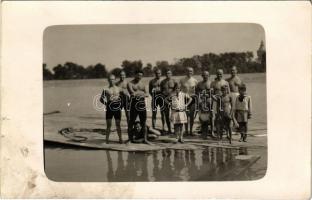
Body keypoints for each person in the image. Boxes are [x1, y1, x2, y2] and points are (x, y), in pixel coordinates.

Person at [127, 69, 150, 144]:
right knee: (131, 122)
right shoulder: (130, 83)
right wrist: (142, 93)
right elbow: (132, 94)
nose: (139, 77)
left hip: (142, 105)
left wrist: (138, 93)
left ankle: (145, 139)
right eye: (138, 75)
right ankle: (130, 140)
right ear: (135, 75)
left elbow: (147, 94)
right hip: (134, 104)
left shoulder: (144, 84)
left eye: (141, 75)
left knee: (143, 122)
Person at [100, 74, 123, 144]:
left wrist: (121, 105)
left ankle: (120, 139)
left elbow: (123, 97)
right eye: (110, 79)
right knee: (109, 125)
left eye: (112, 79)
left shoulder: (119, 88)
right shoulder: (105, 89)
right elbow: (101, 99)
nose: (111, 81)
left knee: (118, 124)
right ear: (108, 80)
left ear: (115, 80)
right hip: (109, 108)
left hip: (117, 107)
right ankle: (107, 140)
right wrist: (106, 104)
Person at [179, 67, 198, 136]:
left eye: (191, 71)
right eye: (188, 71)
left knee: (192, 116)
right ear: (186, 72)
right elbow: (179, 90)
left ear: (193, 72)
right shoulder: (182, 80)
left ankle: (191, 131)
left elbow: (197, 92)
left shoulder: (195, 81)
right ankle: (186, 131)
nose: (189, 73)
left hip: (192, 99)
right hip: (185, 99)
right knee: (186, 116)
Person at [196, 70, 214, 138]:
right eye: (203, 75)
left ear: (209, 76)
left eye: (206, 75)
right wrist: (199, 101)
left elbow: (213, 93)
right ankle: (204, 132)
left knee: (211, 117)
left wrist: (210, 99)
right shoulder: (199, 84)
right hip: (202, 102)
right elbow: (197, 93)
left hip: (209, 101)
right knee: (202, 117)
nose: (205, 76)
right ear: (202, 76)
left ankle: (212, 132)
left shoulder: (211, 83)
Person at [160, 69, 176, 135]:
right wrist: (164, 97)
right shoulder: (162, 82)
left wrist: (172, 96)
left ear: (171, 74)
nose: (168, 75)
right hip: (165, 99)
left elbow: (176, 90)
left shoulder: (174, 81)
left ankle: (175, 130)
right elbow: (161, 91)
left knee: (174, 114)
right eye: (167, 73)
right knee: (166, 115)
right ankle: (169, 129)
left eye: (169, 73)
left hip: (172, 99)